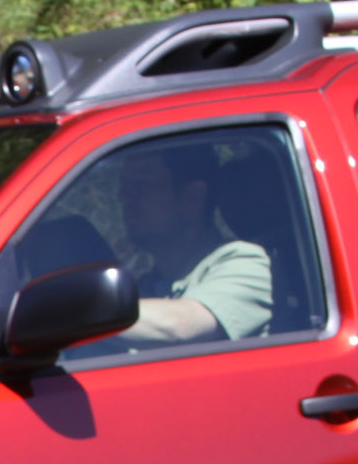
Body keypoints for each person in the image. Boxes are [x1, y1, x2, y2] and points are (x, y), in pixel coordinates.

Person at [112, 140, 272, 343]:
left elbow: (182, 324)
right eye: (124, 187)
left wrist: (76, 312)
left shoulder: (246, 262)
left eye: (142, 184)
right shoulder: (147, 287)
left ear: (192, 198)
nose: (125, 197)